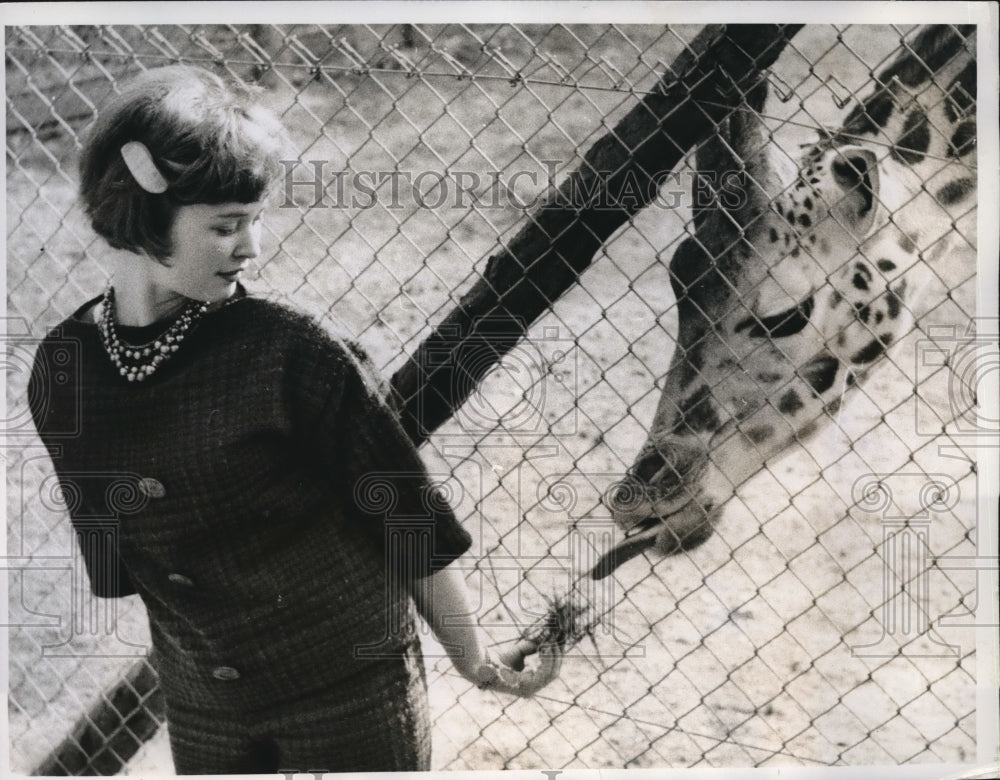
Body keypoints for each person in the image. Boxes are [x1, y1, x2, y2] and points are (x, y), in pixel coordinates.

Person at [28, 65, 560, 775]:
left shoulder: (292, 352)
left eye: (254, 221)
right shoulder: (65, 373)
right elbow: (123, 564)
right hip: (204, 703)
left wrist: (474, 657)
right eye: (225, 226)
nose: (252, 248)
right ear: (141, 211)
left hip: (349, 693)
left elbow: (406, 515)